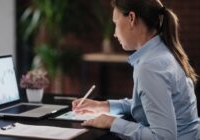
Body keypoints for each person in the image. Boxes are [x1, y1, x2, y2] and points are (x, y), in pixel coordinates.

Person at [72, 0, 200, 139]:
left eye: (115, 23)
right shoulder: (161, 52)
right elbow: (153, 104)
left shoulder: (150, 66)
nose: (114, 33)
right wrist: (103, 106)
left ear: (131, 18)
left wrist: (113, 122)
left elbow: (164, 137)